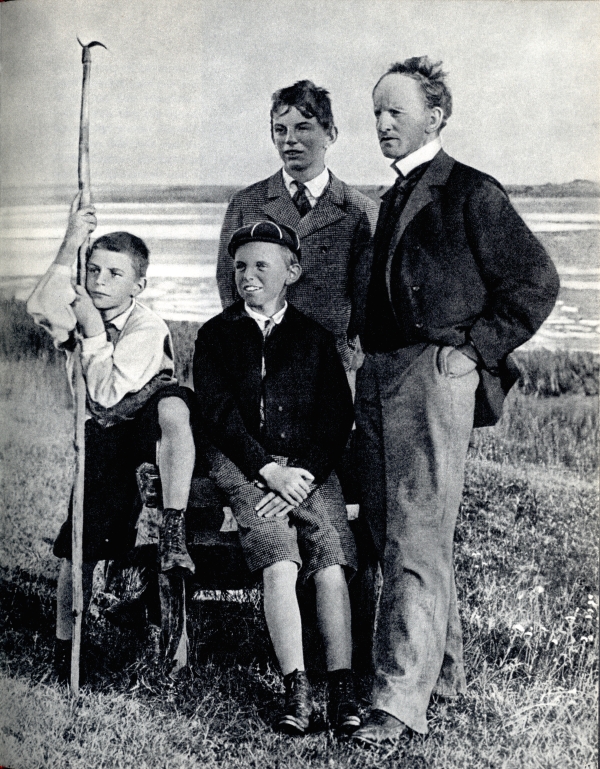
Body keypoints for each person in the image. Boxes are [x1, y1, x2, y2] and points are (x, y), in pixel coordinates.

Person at [351, 57, 560, 745]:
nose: (383, 124)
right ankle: (443, 679)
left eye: (396, 112)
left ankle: (396, 702)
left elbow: (536, 281)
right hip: (382, 375)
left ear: (435, 117)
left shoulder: (470, 191)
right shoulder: (396, 193)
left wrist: (474, 350)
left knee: (415, 532)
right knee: (397, 529)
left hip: (434, 375)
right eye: (377, 112)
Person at [194, 221, 360, 735]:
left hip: (308, 470)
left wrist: (302, 475)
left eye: (260, 265)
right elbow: (218, 414)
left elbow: (336, 416)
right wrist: (268, 471)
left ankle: (342, 689)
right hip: (245, 465)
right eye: (240, 266)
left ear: (292, 271)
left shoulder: (314, 337)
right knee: (279, 559)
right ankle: (297, 688)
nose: (247, 275)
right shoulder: (215, 335)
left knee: (330, 558)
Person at [27, 194, 197, 683]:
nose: (100, 281)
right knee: (80, 539)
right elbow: (39, 305)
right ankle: (68, 646)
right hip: (101, 433)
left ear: (138, 285)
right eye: (94, 270)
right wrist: (71, 242)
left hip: (143, 430)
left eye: (114, 274)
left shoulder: (146, 326)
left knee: (168, 413)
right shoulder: (82, 305)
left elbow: (106, 393)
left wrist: (91, 331)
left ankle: (167, 546)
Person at [215, 80, 378, 371]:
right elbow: (228, 282)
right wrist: (242, 345)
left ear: (330, 134)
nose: (290, 140)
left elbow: (367, 299)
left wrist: (349, 351)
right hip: (261, 360)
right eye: (281, 130)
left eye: (303, 128)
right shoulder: (246, 203)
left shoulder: (360, 210)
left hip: (332, 364)